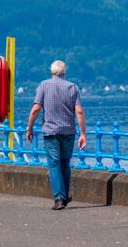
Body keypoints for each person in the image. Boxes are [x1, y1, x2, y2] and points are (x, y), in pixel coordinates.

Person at [24, 59, 88, 211]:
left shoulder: (44, 85)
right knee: (65, 164)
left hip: (50, 132)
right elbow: (79, 111)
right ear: (64, 72)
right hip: (68, 132)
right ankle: (65, 195)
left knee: (54, 164)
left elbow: (35, 109)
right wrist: (83, 134)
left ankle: (59, 198)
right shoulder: (73, 87)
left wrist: (30, 128)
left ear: (51, 72)